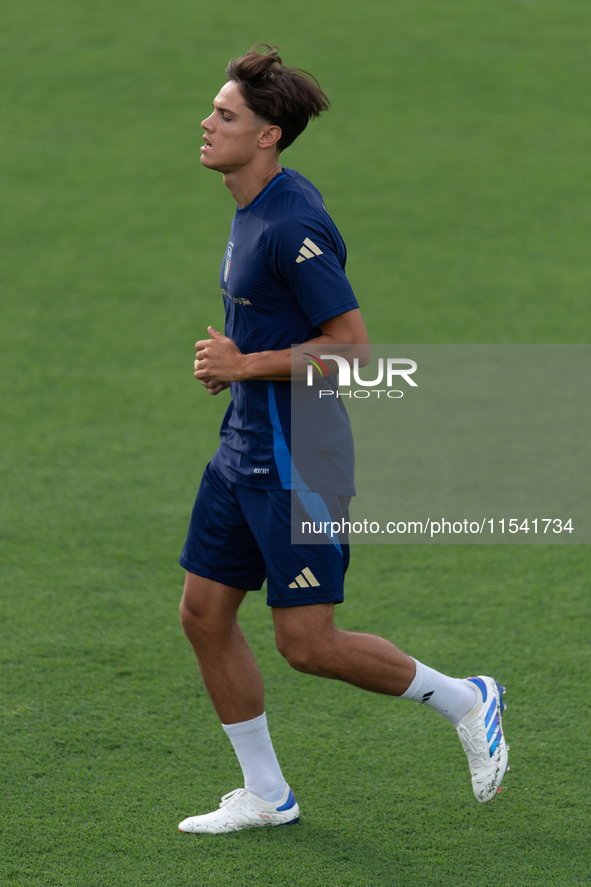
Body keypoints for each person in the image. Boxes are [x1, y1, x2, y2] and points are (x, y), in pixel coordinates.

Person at [177, 44, 509, 834]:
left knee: (308, 643)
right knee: (202, 612)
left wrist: (244, 360)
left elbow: (355, 348)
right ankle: (267, 793)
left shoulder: (292, 223)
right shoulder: (249, 203)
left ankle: (468, 697)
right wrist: (240, 371)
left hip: (301, 456)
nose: (206, 122)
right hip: (244, 444)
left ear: (267, 136)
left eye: (225, 116)